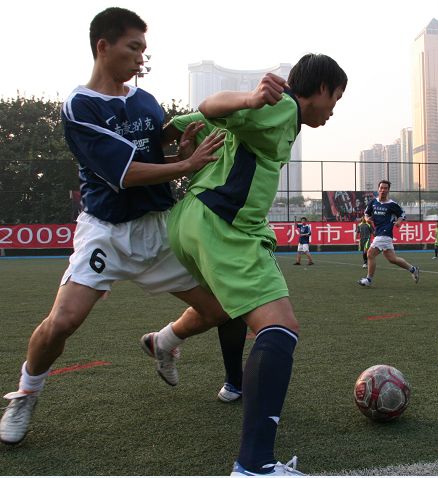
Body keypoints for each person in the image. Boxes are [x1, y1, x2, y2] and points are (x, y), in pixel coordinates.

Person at [0, 7, 232, 446]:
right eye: (134, 47)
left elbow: (150, 156)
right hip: (106, 232)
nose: (141, 57)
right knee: (62, 321)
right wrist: (187, 165)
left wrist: (179, 152)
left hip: (158, 229)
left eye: (144, 49)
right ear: (103, 46)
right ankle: (25, 394)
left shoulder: (145, 100)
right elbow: (124, 173)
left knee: (218, 311)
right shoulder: (80, 106)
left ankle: (163, 341)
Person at [145, 53, 347, 475]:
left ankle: (163, 341)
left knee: (222, 311)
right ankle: (255, 465)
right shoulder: (284, 108)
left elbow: (187, 121)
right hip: (224, 225)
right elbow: (210, 104)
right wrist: (252, 99)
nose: (334, 109)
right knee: (279, 327)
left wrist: (165, 146)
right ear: (321, 88)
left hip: (192, 223)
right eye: (336, 98)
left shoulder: (274, 116)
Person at [357, 180, 420, 287]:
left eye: (385, 188)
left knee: (370, 254)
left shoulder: (392, 204)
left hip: (385, 233)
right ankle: (413, 269)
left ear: (388, 190)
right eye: (381, 188)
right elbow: (366, 213)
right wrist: (367, 219)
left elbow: (402, 214)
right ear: (378, 189)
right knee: (392, 259)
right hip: (380, 233)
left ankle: (368, 280)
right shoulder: (373, 202)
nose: (383, 190)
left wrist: (399, 221)